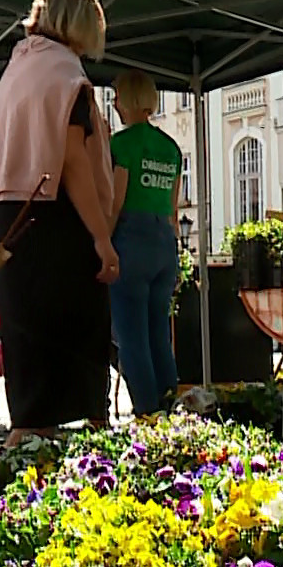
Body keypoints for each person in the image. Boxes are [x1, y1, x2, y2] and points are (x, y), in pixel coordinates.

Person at [0, 0, 120, 448]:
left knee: (28, 346)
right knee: (79, 334)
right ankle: (96, 455)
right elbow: (74, 160)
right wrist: (101, 236)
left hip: (8, 219)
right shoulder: (65, 75)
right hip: (52, 218)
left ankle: (25, 455)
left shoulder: (19, 66)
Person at [106, 69, 184, 417]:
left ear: (129, 99)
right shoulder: (170, 148)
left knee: (131, 337)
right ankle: (171, 409)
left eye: (117, 96)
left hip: (132, 240)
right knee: (158, 334)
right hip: (164, 242)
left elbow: (115, 202)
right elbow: (172, 207)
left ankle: (148, 415)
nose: (114, 103)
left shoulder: (121, 145)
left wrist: (103, 242)